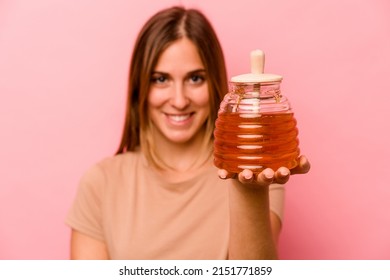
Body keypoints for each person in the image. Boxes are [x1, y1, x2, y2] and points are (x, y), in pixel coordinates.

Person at [66, 6, 310, 260]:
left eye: (195, 79)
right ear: (140, 86)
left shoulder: (258, 174)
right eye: (161, 79)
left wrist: (247, 189)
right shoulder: (101, 183)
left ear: (214, 81)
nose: (179, 101)